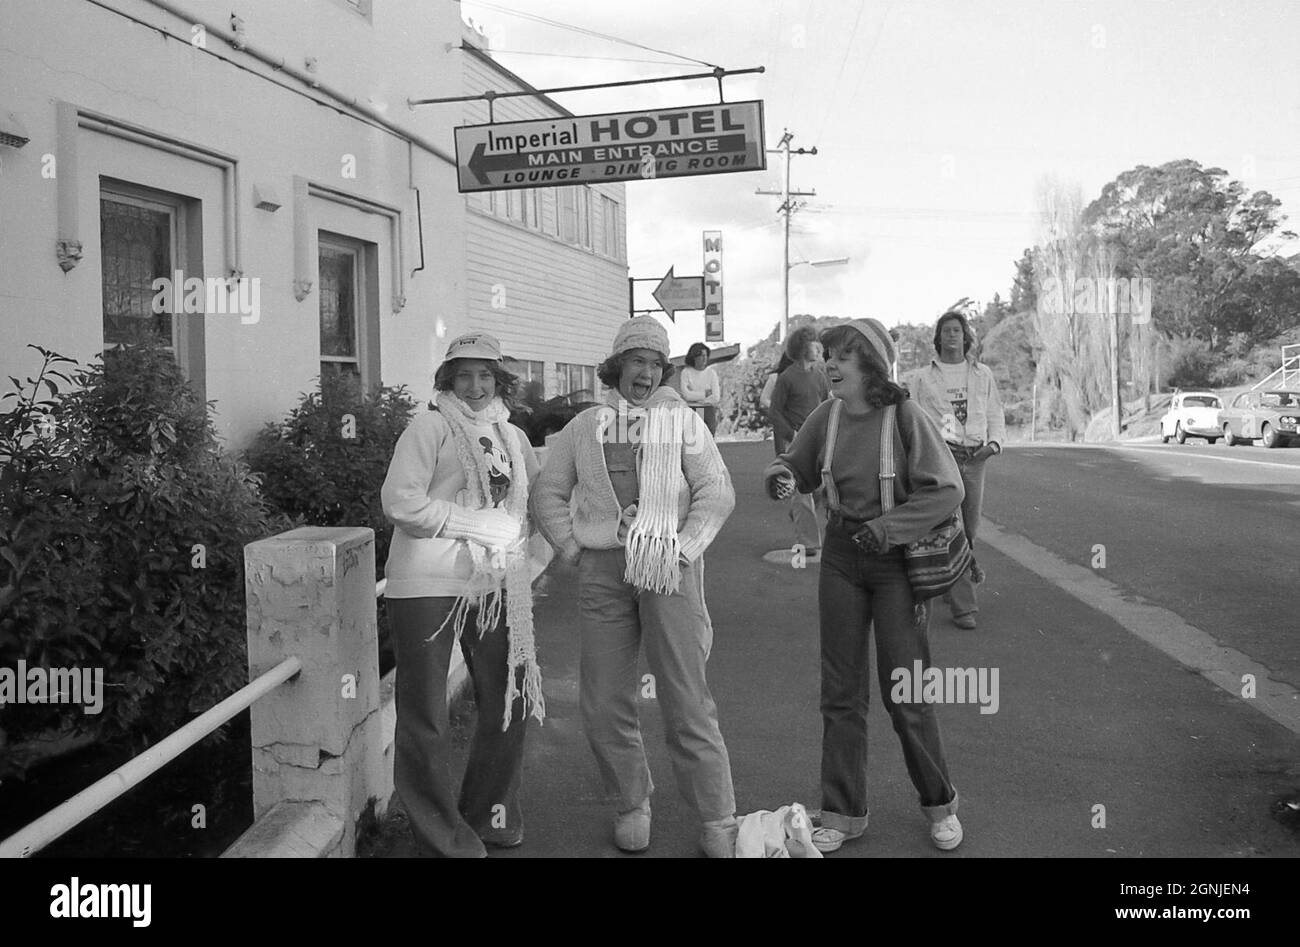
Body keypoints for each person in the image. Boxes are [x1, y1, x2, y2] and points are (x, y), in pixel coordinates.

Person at [530, 315, 739, 858]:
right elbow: (547, 491)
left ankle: (718, 817)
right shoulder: (585, 427)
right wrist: (572, 546)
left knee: (686, 700)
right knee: (602, 700)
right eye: (635, 361)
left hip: (670, 569)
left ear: (662, 370)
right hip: (604, 574)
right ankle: (631, 803)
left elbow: (716, 491)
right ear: (616, 367)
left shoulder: (683, 423)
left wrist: (685, 547)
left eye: (653, 363)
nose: (644, 373)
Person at [763, 319, 966, 854]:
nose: (830, 363)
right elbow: (797, 467)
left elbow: (948, 489)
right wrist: (782, 475)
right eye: (828, 354)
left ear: (871, 364)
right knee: (841, 694)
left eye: (843, 356)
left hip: (895, 564)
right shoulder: (825, 417)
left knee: (907, 692)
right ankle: (843, 812)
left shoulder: (905, 416)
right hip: (840, 559)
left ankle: (940, 803)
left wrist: (888, 528)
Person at [380, 331, 544, 858]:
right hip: (426, 583)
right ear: (448, 378)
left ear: (500, 380)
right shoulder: (429, 426)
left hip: (494, 585)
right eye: (465, 374)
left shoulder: (512, 437)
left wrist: (538, 556)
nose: (475, 385)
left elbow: (535, 504)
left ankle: (487, 816)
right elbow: (400, 503)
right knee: (425, 713)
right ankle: (440, 837)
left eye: (486, 374)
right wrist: (476, 524)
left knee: (510, 698)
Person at [904, 309, 1006, 631]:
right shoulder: (921, 377)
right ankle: (965, 606)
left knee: (970, 528)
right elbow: (912, 419)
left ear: (966, 337)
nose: (952, 336)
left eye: (957, 331)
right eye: (946, 331)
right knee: (953, 526)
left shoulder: (981, 374)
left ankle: (952, 578)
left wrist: (992, 447)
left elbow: (994, 412)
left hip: (974, 457)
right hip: (940, 457)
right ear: (938, 337)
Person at [769, 326, 829, 559]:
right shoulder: (786, 378)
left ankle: (799, 513)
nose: (818, 349)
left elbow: (827, 403)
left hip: (818, 439)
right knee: (803, 490)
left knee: (819, 490)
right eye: (814, 345)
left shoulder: (820, 376)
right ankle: (808, 542)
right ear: (802, 349)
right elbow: (775, 412)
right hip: (795, 442)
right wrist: (790, 434)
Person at [680, 341, 721, 435]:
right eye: (701, 356)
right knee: (692, 441)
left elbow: (716, 397)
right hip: (692, 410)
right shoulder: (686, 372)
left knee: (708, 440)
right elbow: (686, 395)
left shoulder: (711, 373)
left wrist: (696, 398)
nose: (704, 358)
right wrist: (705, 394)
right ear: (694, 357)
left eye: (706, 355)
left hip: (708, 411)